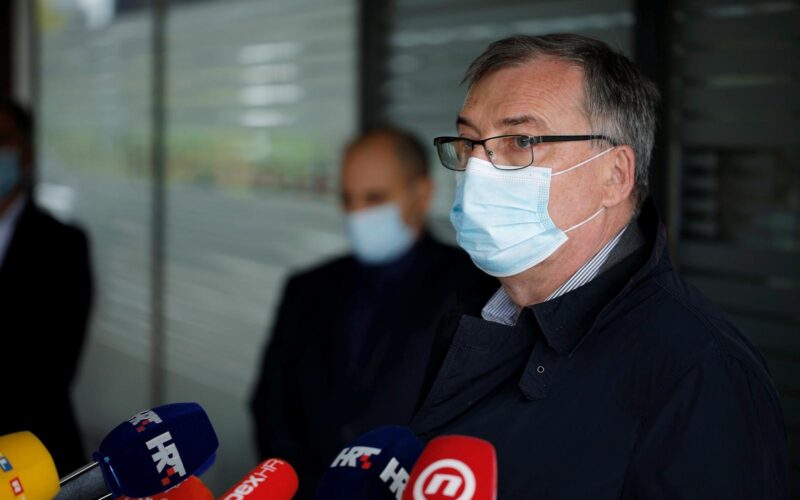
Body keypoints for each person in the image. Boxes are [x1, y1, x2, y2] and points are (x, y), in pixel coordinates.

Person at [412, 34, 788, 498]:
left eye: (521, 141)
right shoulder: (466, 311)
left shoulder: (701, 371)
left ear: (615, 175)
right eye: (470, 142)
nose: (478, 169)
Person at [250, 127, 492, 498]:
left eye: (375, 197)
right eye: (348, 198)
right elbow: (270, 406)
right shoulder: (307, 288)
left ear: (422, 194)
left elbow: (476, 419)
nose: (357, 213)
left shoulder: (476, 289)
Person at [0, 98, 93, 475]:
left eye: (2, 140)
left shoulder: (62, 245)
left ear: (26, 152)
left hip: (35, 456)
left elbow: (51, 369)